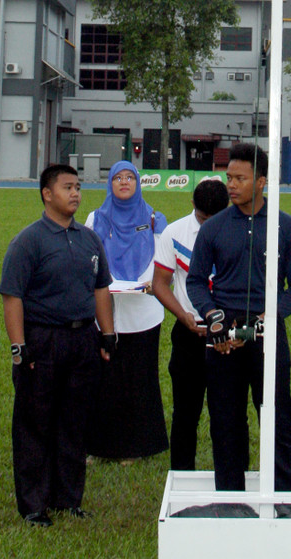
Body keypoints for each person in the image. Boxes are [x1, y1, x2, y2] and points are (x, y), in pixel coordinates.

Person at [187, 142, 291, 492]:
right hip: (223, 337)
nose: (231, 185)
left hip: (267, 335)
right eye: (229, 177)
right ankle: (230, 496)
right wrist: (213, 317)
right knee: (225, 421)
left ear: (261, 182)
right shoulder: (213, 228)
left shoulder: (287, 228)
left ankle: (287, 498)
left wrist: (263, 321)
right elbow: (196, 281)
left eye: (240, 178)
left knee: (277, 418)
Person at [0, 164, 117, 527]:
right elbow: (12, 297)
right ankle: (34, 505)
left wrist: (107, 334)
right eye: (67, 187)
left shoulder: (89, 239)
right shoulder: (28, 241)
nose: (76, 194)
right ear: (47, 194)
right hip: (42, 339)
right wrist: (20, 348)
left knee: (74, 422)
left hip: (83, 340)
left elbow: (101, 288)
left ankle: (68, 498)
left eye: (78, 187)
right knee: (35, 423)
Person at [85, 160, 169, 461]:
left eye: (129, 177)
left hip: (144, 313)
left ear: (138, 184)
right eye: (118, 177)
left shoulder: (155, 218)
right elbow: (88, 258)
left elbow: (164, 260)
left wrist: (150, 282)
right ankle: (100, 447)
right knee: (104, 380)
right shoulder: (96, 219)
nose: (123, 182)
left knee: (139, 380)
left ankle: (136, 447)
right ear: (110, 184)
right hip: (106, 313)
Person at [152, 177, 232, 470]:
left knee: (226, 415)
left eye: (215, 218)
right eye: (202, 218)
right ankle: (181, 479)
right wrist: (182, 315)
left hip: (227, 337)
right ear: (192, 206)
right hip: (189, 334)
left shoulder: (239, 231)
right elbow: (159, 283)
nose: (208, 224)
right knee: (186, 413)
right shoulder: (174, 233)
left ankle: (229, 482)